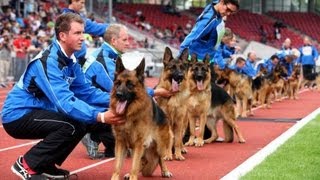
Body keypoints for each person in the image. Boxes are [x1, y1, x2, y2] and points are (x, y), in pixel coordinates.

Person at [1, 13, 125, 179]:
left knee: (81, 123)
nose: (83, 38)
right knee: (70, 125)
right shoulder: (48, 62)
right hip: (18, 115)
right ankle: (26, 165)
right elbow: (64, 102)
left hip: (37, 110)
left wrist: (117, 100)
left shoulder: (71, 61)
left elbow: (87, 92)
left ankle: (44, 164)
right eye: (77, 33)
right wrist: (101, 116)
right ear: (62, 36)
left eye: (83, 33)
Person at [81, 24, 173, 159]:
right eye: (125, 40)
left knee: (122, 145)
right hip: (91, 108)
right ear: (113, 41)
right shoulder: (103, 60)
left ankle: (103, 138)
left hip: (97, 102)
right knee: (131, 109)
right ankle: (92, 135)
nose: (128, 43)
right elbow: (117, 89)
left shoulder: (109, 56)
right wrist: (156, 92)